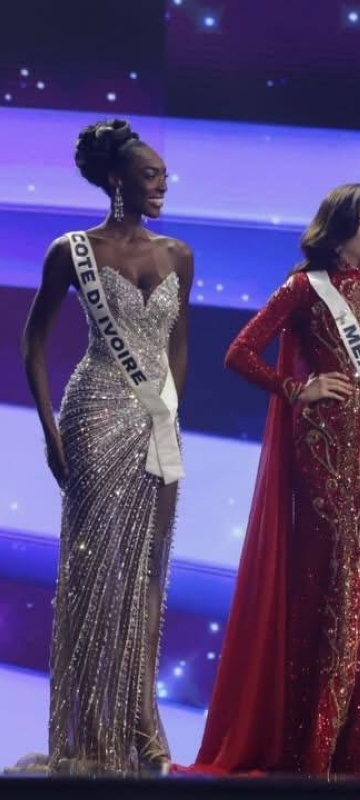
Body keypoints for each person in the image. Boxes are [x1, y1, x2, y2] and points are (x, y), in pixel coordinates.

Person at [194, 183, 360, 778]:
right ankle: (310, 740)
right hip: (319, 454)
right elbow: (240, 352)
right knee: (325, 581)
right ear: (339, 227)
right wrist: (297, 387)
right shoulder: (304, 288)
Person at [19, 118, 193, 775]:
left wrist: (170, 415)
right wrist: (50, 431)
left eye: (164, 176)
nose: (161, 185)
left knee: (150, 574)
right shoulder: (72, 251)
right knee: (100, 576)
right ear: (117, 180)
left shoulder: (179, 255)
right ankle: (92, 737)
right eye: (150, 175)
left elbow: (178, 345)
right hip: (94, 416)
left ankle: (144, 726)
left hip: (157, 424)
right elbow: (33, 342)